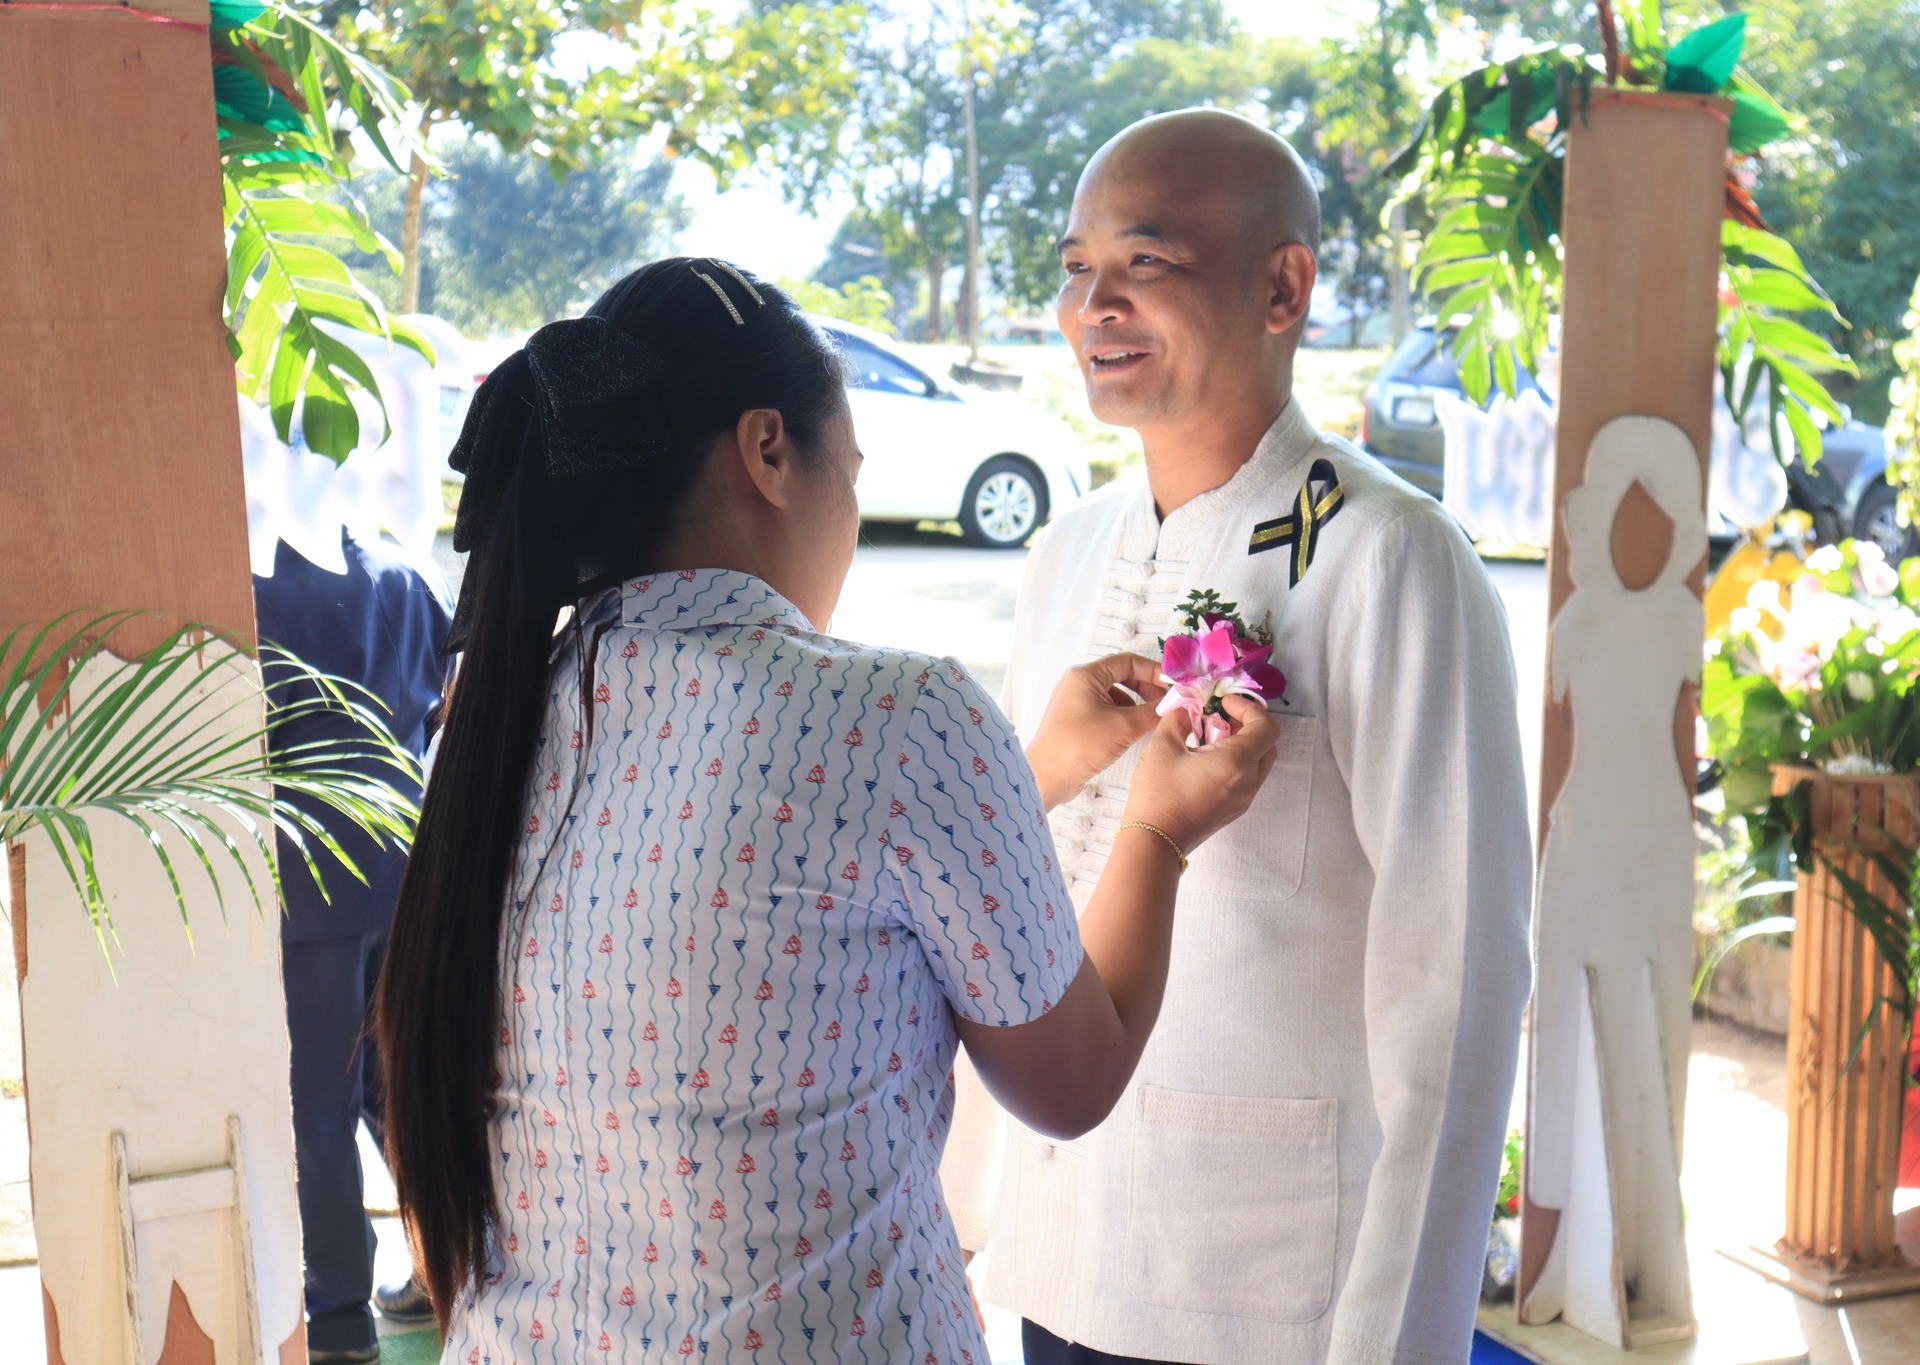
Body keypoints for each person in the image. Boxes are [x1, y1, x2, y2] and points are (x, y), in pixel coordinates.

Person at [370, 257, 1278, 1362]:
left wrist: (1027, 772)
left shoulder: (503, 715)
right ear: (767, 452)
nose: (850, 512)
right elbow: (1073, 1079)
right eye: (848, 472)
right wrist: (1159, 832)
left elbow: (784, 899)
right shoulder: (900, 715)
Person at [946, 109, 1534, 1365]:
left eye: (1144, 261)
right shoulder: (1068, 549)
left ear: (1283, 288)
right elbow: (1013, 904)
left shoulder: (1389, 556)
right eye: (1074, 266)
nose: (1092, 305)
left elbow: (1457, 984)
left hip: (1269, 1281)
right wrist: (963, 1209)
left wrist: (1392, 1339)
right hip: (1058, 1253)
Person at [252, 531, 452, 1362]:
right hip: (408, 866)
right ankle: (447, 1266)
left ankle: (337, 1313)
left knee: (319, 1108)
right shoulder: (404, 567)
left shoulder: (255, 580)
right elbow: (444, 698)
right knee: (399, 1084)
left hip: (314, 886)